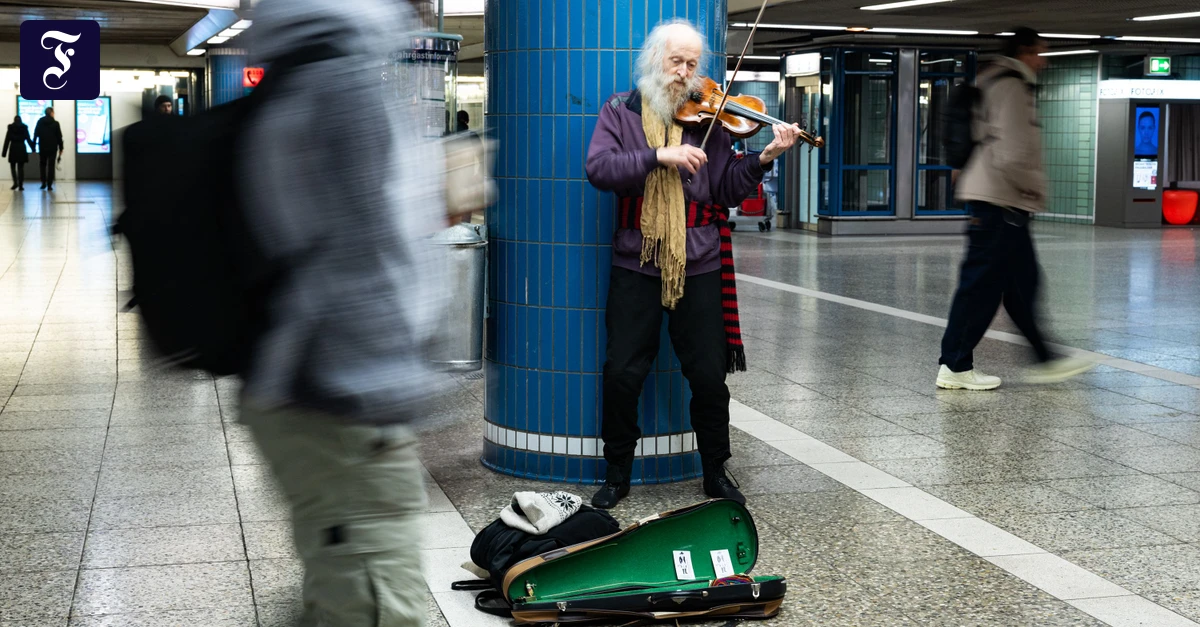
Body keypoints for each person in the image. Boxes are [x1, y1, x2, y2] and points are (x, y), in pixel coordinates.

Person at [236, 0, 452, 624]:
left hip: (299, 380)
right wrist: (394, 390)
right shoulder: (340, 82)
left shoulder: (296, 69)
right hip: (338, 392)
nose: (416, 13)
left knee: (342, 581)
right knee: (379, 602)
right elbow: (361, 249)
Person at [585, 19, 803, 509]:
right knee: (622, 372)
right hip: (637, 258)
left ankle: (715, 470)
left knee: (708, 374)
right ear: (653, 61)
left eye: (691, 63)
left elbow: (726, 190)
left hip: (700, 259)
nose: (684, 73)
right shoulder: (620, 112)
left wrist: (765, 155)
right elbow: (599, 170)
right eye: (675, 61)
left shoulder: (712, 121)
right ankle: (617, 470)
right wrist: (660, 154)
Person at [938, 28, 1093, 391]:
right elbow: (1012, 152)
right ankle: (955, 365)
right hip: (1000, 201)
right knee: (981, 288)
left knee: (1021, 284)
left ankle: (1044, 358)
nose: (1044, 60)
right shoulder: (1011, 86)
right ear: (1024, 51)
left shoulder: (994, 80)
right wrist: (1034, 189)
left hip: (998, 200)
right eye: (1040, 52)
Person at [33, 107, 63, 191]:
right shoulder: (56, 123)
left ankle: (43, 183)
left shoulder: (40, 122)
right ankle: (49, 185)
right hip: (53, 148)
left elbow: (36, 134)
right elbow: (59, 136)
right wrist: (61, 148)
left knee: (42, 165)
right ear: (51, 113)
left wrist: (33, 147)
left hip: (42, 147)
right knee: (51, 166)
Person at [2, 115, 33, 191]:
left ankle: (15, 183)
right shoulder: (24, 127)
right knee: (21, 167)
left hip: (13, 148)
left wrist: (4, 152)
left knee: (13, 167)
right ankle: (21, 185)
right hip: (21, 148)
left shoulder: (11, 128)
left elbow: (7, 140)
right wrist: (33, 148)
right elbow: (28, 138)